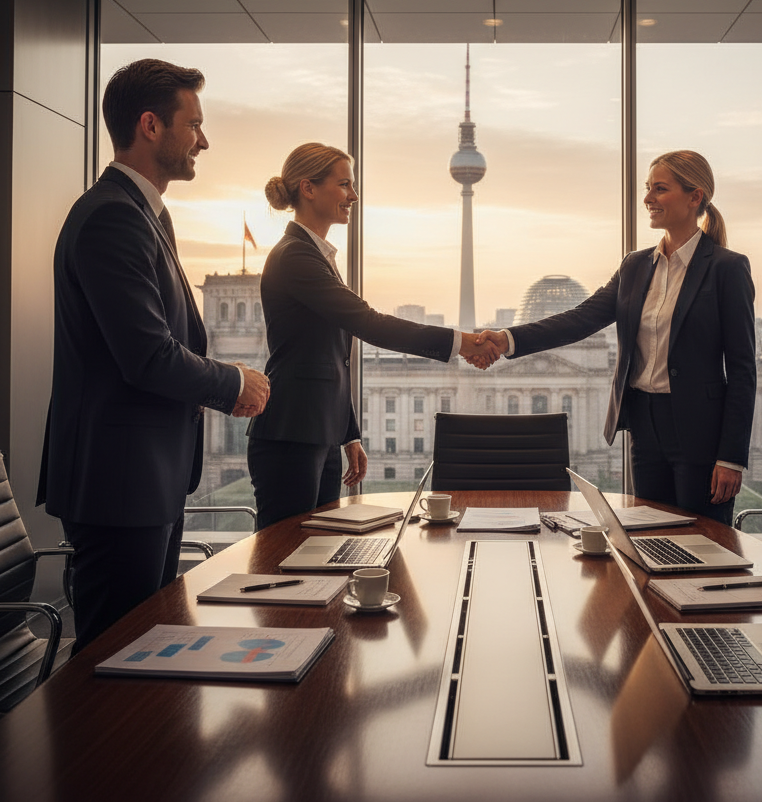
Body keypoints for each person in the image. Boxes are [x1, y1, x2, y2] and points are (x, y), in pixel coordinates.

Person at [38, 58, 271, 650]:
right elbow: (145, 355)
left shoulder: (141, 214)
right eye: (194, 125)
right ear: (150, 125)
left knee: (144, 653)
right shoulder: (114, 217)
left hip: (144, 479)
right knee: (114, 665)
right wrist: (232, 383)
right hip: (121, 482)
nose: (204, 139)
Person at [475, 151, 755, 523]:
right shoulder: (636, 265)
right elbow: (582, 318)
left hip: (700, 431)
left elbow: (742, 369)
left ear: (695, 197)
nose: (648, 199)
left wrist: (731, 457)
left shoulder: (727, 268)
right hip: (644, 424)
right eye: (647, 189)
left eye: (660, 189)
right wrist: (509, 339)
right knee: (649, 534)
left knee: (704, 542)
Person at [246, 143, 499, 529]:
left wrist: (348, 434)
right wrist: (462, 342)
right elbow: (368, 322)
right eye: (344, 184)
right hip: (290, 433)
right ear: (308, 188)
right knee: (282, 558)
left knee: (318, 554)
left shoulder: (314, 254)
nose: (354, 195)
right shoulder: (295, 256)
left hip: (315, 431)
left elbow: (331, 360)